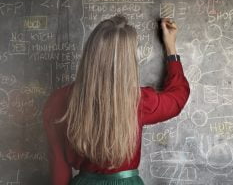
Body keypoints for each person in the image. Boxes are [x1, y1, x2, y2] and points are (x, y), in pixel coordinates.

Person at [42, 15, 190, 185]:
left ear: (90, 54)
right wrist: (171, 48)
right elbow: (178, 97)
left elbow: (58, 167)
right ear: (129, 62)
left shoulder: (58, 101)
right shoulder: (139, 101)